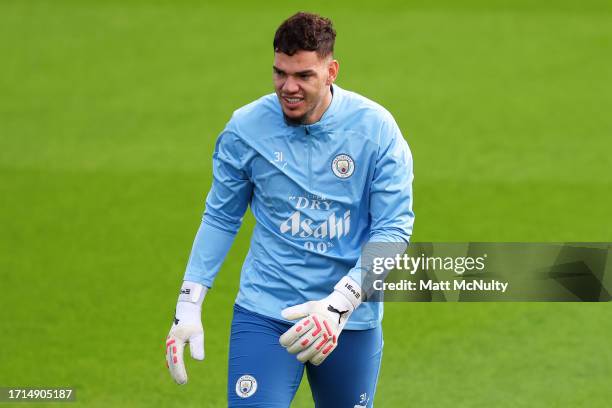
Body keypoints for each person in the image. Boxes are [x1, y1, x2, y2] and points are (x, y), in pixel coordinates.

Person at [165, 11, 414, 407]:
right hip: (265, 311)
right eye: (280, 73)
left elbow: (393, 231)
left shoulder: (376, 130)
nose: (288, 87)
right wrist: (188, 302)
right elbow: (220, 216)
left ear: (331, 70)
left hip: (348, 320)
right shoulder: (245, 129)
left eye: (303, 76)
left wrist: (339, 305)